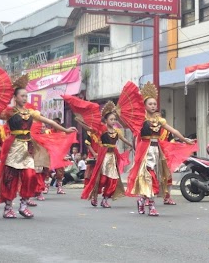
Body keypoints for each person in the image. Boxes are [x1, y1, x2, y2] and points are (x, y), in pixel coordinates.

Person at [0, 81, 77, 219]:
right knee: (10, 178)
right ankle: (8, 207)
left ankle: (23, 205)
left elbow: (49, 121)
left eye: (26, 96)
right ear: (15, 97)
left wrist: (65, 130)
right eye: (22, 96)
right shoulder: (9, 111)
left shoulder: (30, 112)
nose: (25, 98)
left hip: (26, 147)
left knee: (30, 176)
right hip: (13, 147)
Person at [122, 81, 196, 218]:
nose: (153, 106)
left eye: (154, 104)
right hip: (144, 150)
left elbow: (173, 130)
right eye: (150, 104)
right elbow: (126, 124)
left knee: (154, 176)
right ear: (144, 105)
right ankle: (151, 205)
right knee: (149, 177)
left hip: (157, 151)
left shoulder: (159, 120)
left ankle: (142, 199)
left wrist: (185, 140)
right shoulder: (140, 119)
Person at [81, 101, 131, 208]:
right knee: (102, 179)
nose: (113, 121)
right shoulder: (102, 129)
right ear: (106, 120)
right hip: (103, 157)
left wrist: (133, 145)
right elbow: (90, 130)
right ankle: (94, 194)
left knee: (112, 179)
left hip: (112, 158)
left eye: (114, 119)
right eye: (111, 119)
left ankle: (105, 199)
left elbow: (124, 139)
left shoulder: (117, 131)